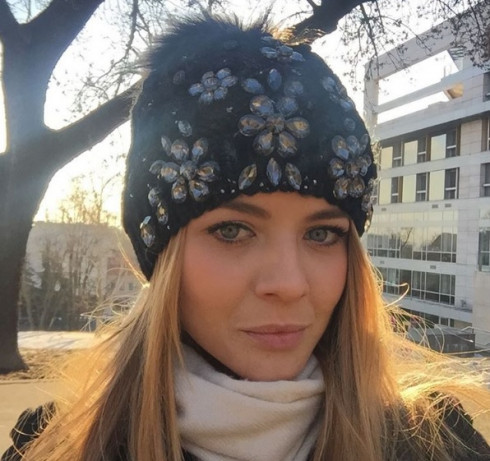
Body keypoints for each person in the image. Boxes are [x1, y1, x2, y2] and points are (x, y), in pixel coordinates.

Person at [3, 15, 490, 461]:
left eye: (322, 233)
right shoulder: (53, 448)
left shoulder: (437, 445)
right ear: (163, 256)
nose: (289, 284)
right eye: (232, 230)